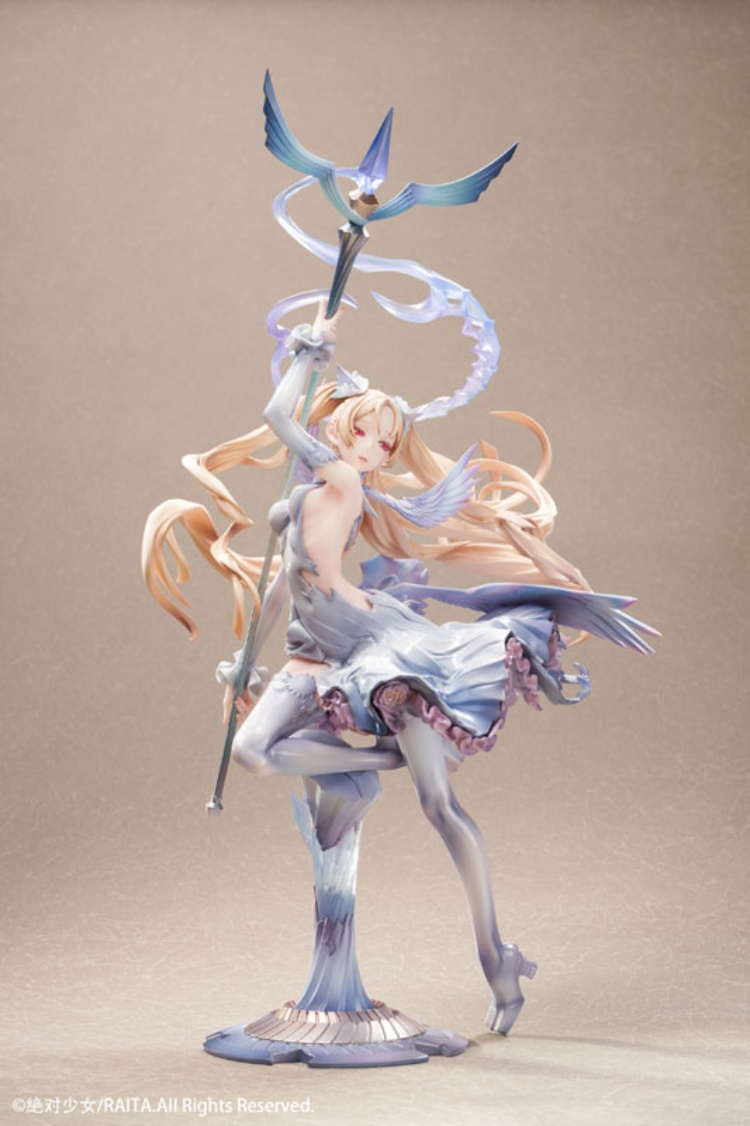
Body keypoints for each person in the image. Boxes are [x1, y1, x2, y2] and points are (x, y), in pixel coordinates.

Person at [143, 302, 654, 1034]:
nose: (375, 450)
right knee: (252, 751)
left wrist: (306, 355)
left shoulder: (345, 486)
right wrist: (246, 662)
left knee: (439, 805)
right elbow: (282, 587)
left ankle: (497, 958)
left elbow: (277, 415)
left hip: (375, 651)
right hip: (310, 662)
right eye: (365, 433)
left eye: (386, 442)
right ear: (340, 429)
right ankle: (380, 759)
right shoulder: (307, 497)